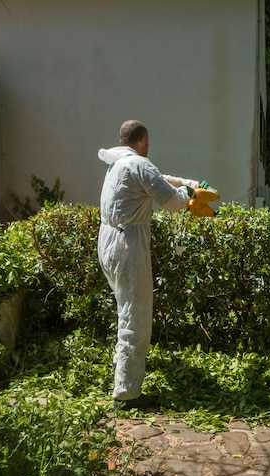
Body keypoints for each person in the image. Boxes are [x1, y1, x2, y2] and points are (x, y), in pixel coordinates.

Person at [97, 120, 199, 409]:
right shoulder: (140, 164)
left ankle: (122, 373)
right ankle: (127, 395)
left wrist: (186, 182)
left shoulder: (118, 165)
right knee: (135, 317)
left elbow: (159, 178)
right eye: (148, 141)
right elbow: (170, 202)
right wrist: (191, 196)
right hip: (128, 245)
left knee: (125, 308)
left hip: (108, 242)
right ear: (142, 139)